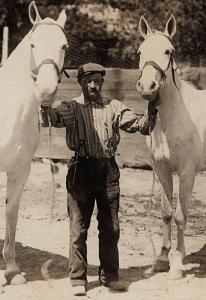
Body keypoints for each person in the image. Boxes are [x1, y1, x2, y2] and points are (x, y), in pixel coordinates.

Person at [40, 63, 157, 296]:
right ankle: (78, 280)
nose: (93, 85)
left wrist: (153, 105)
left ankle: (110, 277)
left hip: (108, 171)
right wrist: (44, 101)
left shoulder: (114, 107)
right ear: (81, 83)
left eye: (98, 81)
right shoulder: (71, 107)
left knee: (111, 228)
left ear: (102, 83)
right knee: (77, 228)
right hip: (79, 171)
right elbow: (50, 119)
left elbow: (142, 126)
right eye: (88, 81)